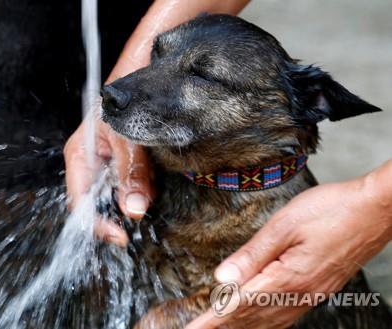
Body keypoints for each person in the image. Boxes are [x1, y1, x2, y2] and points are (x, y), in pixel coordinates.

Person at [64, 0, 392, 328]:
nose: (116, 92)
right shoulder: (153, 168)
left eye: (201, 75)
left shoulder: (281, 220)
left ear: (311, 103)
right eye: (160, 53)